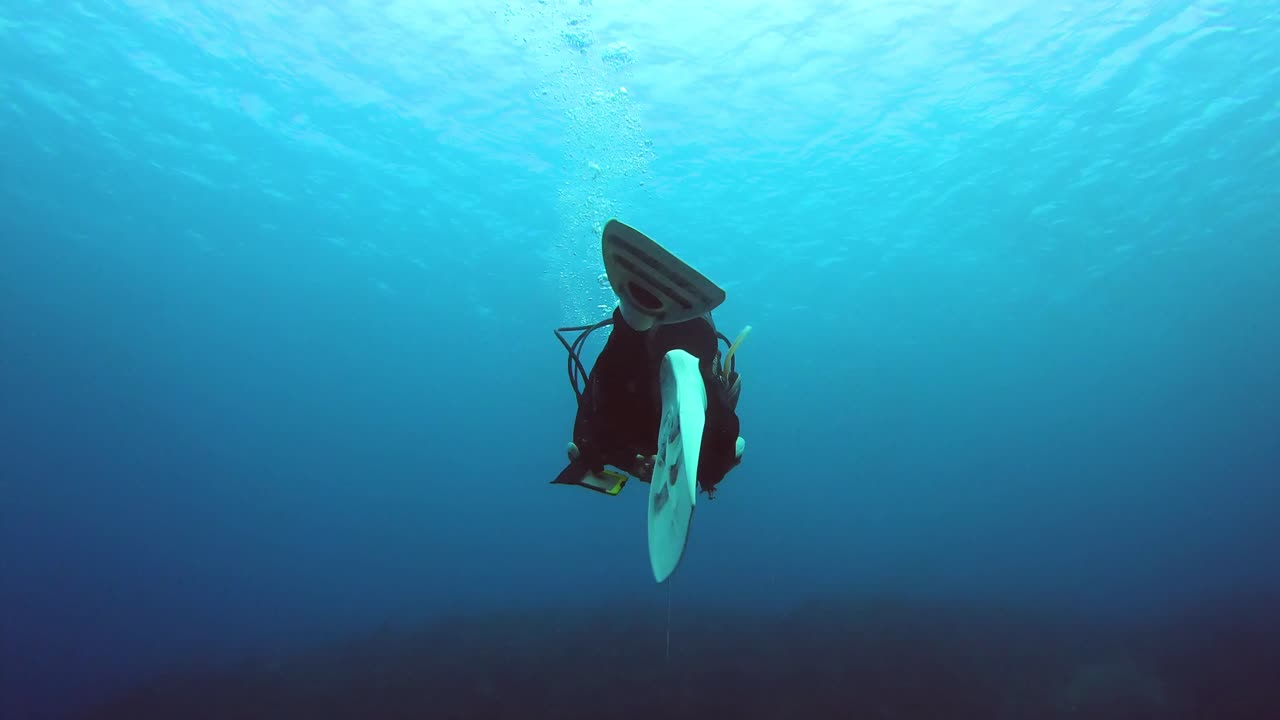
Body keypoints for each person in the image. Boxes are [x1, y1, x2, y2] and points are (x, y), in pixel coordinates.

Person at [552, 220, 747, 497]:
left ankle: (636, 311)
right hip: (690, 342)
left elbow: (592, 418)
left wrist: (627, 462)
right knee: (711, 428)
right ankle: (636, 312)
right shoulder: (695, 431)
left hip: (670, 351)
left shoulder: (621, 421)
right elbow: (592, 424)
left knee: (627, 364)